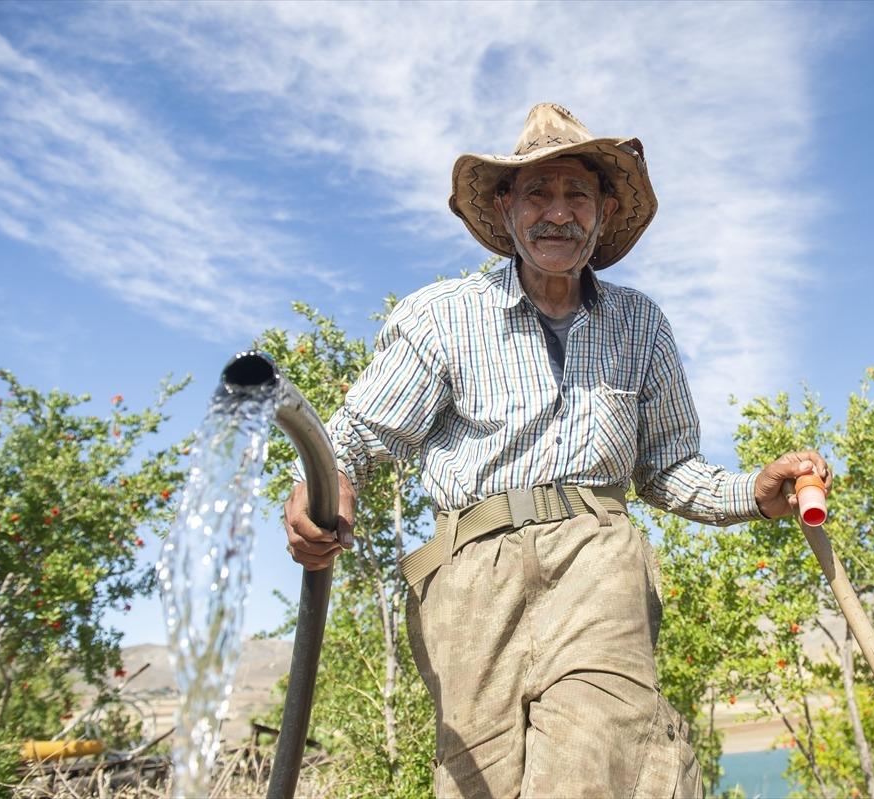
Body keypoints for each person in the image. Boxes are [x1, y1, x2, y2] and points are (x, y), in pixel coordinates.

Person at [283, 103, 832, 799]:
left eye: (577, 194)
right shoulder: (443, 315)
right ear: (506, 207)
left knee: (599, 759)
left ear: (604, 211)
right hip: (470, 577)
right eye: (537, 192)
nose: (558, 212)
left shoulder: (640, 323)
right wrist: (326, 487)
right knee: (478, 782)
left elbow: (668, 467)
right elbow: (356, 438)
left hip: (597, 560)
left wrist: (754, 491)